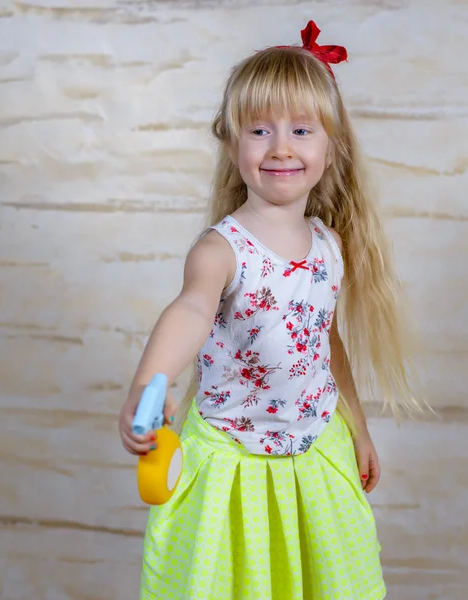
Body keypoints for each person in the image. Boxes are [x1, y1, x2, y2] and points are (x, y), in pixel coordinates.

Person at [119, 20, 421, 600]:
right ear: (233, 147)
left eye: (301, 130)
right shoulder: (222, 250)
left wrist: (357, 428)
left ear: (332, 149)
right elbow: (189, 311)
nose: (280, 146)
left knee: (326, 581)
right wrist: (148, 381)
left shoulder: (329, 246)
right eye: (259, 130)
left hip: (314, 452)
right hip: (235, 466)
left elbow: (325, 344)